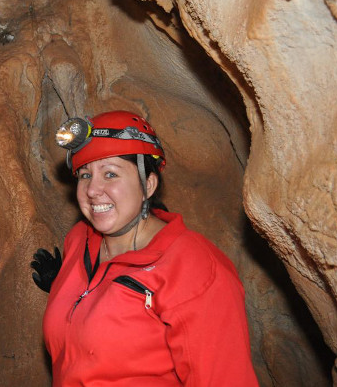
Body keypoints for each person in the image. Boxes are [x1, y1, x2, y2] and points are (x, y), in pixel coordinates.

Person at [31, 110, 258, 386]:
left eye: (111, 174)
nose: (92, 190)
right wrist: (67, 290)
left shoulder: (194, 268)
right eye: (85, 175)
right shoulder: (79, 241)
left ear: (148, 184)